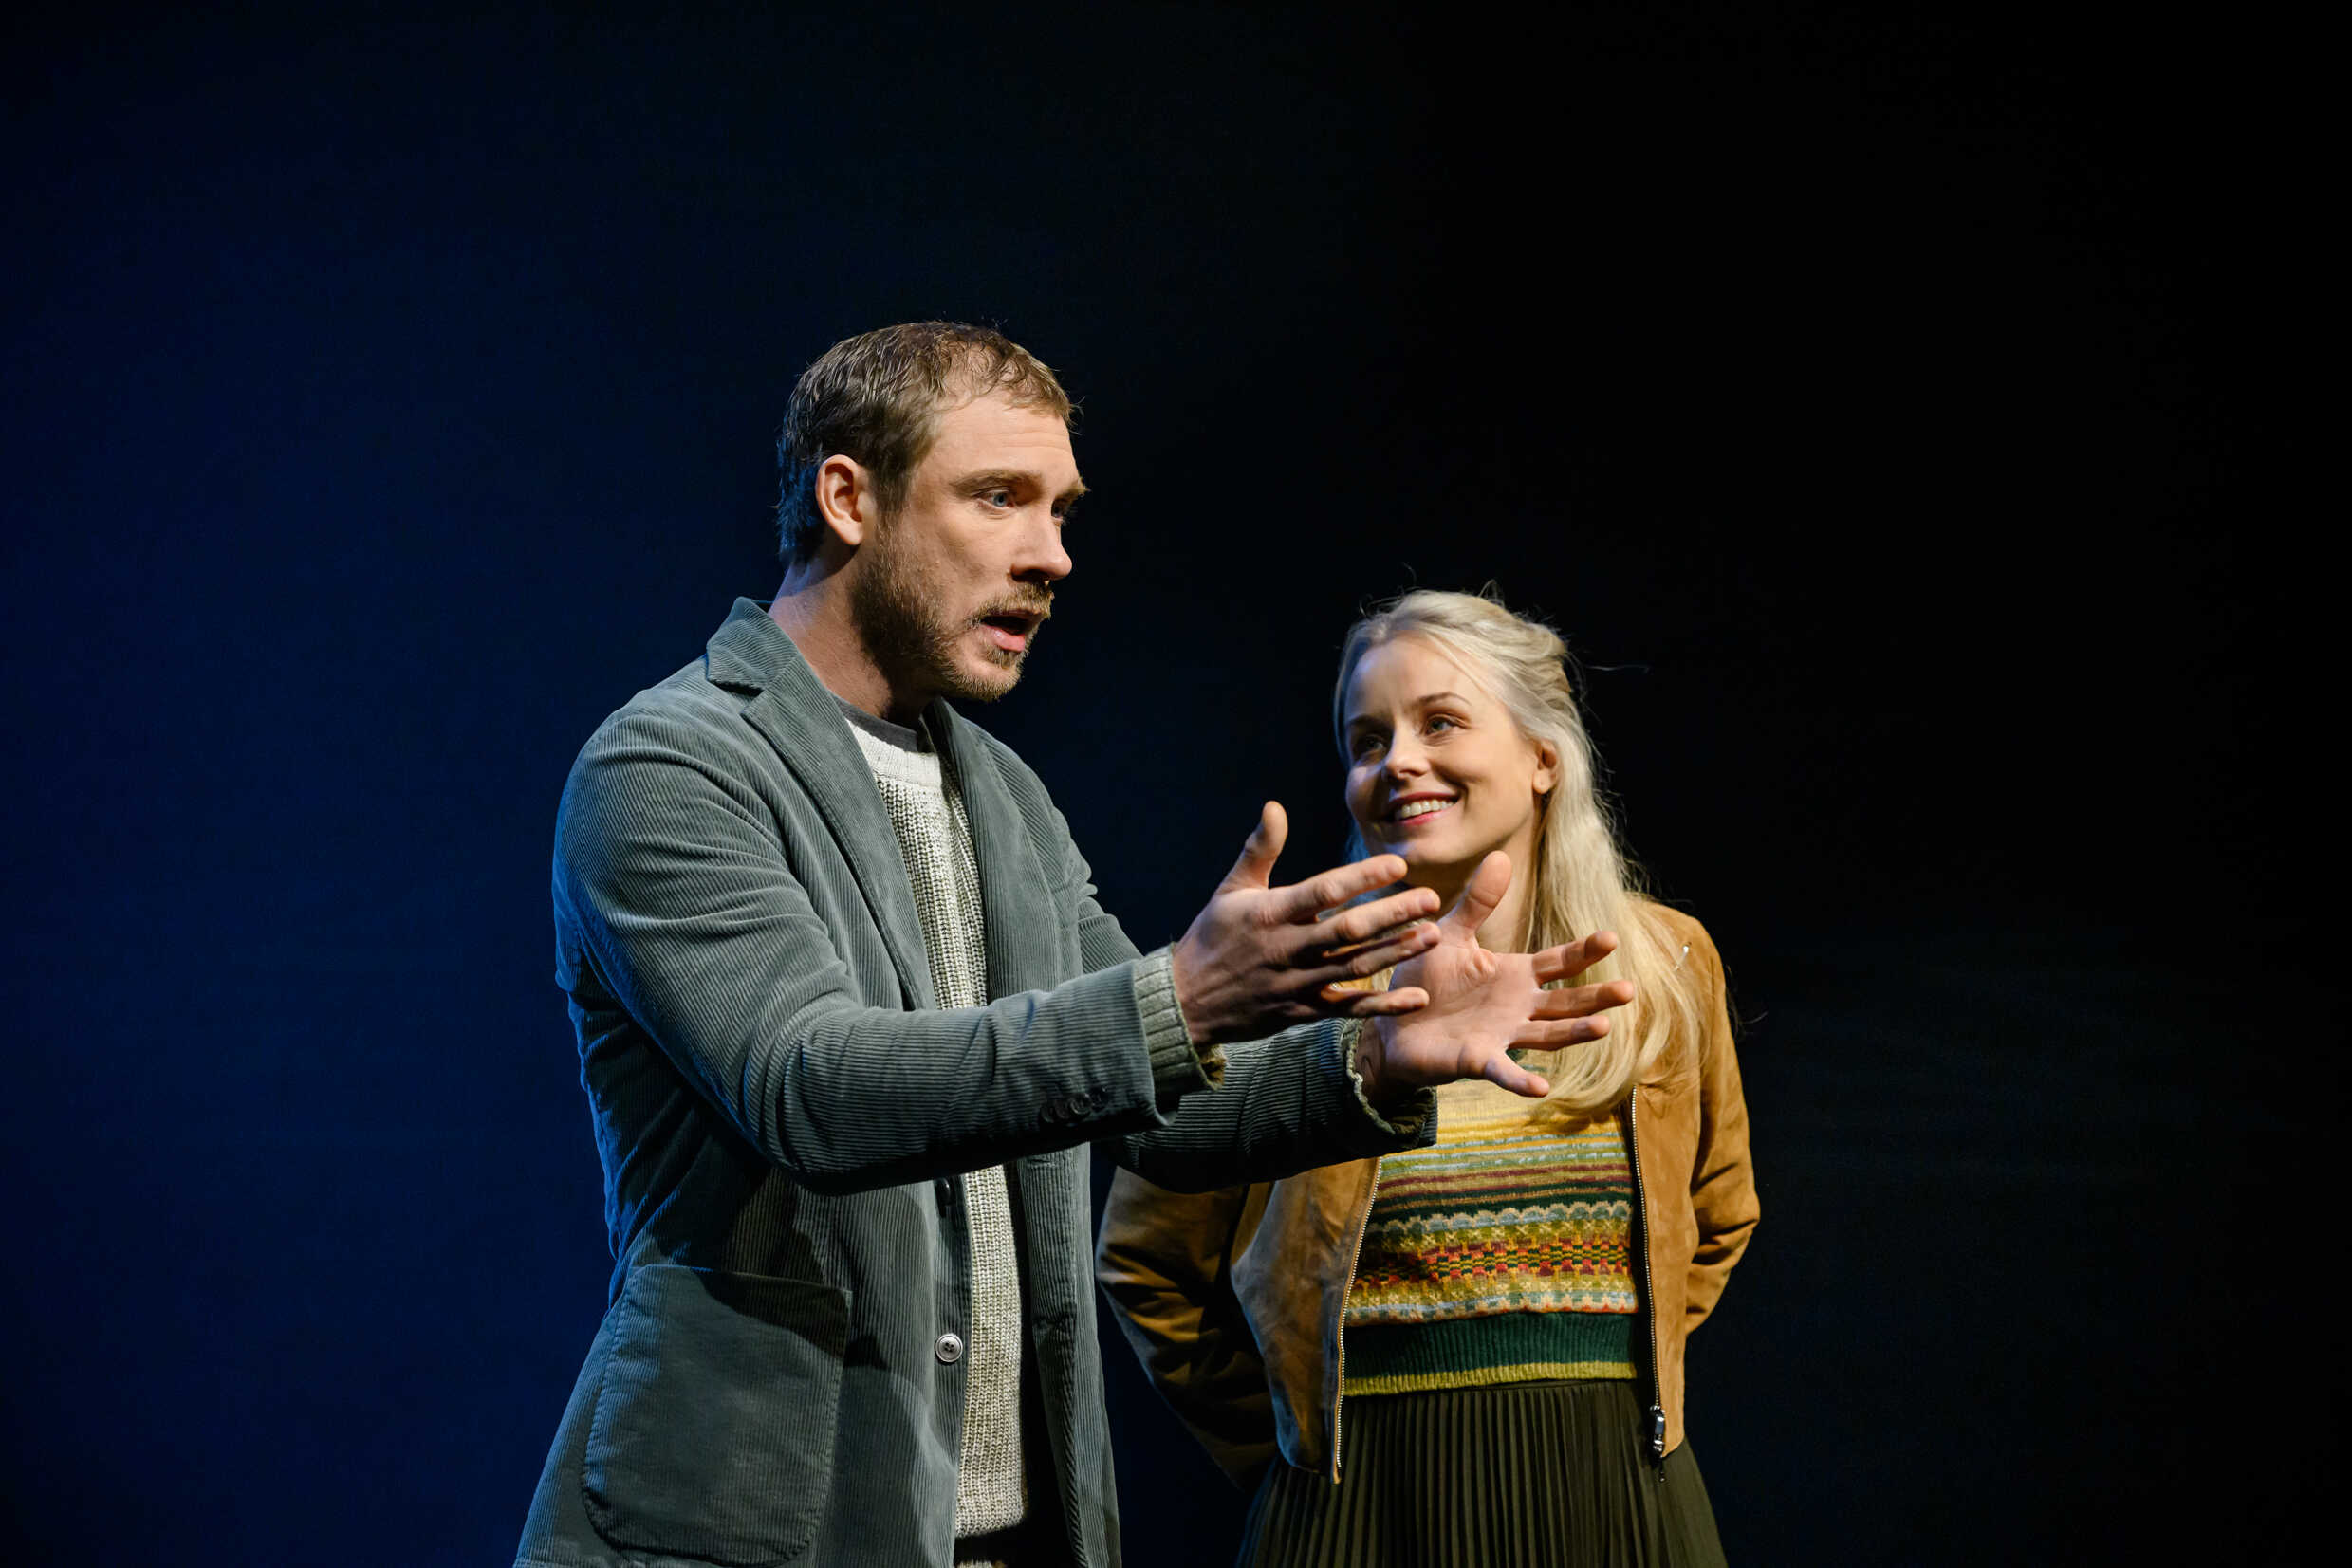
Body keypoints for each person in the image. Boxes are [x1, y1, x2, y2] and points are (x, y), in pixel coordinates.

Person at [513, 325, 1631, 1568]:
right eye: (1000, 498)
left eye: (1061, 510)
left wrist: (1373, 1057)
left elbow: (1154, 1104)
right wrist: (1183, 999)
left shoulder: (1000, 790)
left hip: (1009, 1533)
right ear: (849, 498)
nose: (1053, 555)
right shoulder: (670, 766)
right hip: (758, 1534)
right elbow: (813, 1086)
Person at [1097, 589, 1760, 1567]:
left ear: (1541, 757)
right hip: (1362, 1515)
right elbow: (1147, 1260)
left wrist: (1597, 1398)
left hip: (1615, 1504)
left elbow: (1716, 1214)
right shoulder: (1283, 986)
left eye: (1437, 722)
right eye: (1366, 741)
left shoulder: (1663, 965)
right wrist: (1303, 1453)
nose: (1395, 760)